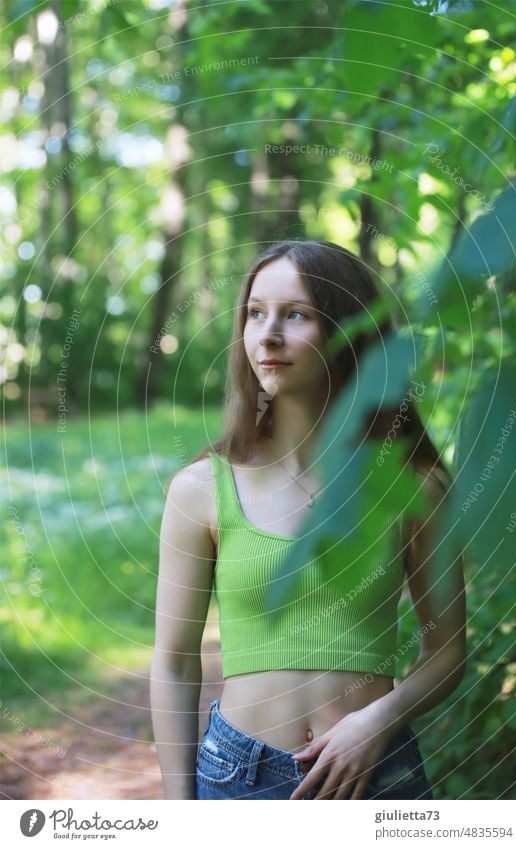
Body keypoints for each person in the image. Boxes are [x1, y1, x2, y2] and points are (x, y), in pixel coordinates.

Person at [150, 239, 467, 800]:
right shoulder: (200, 490)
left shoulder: (411, 486)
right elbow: (174, 665)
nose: (267, 334)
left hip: (374, 775)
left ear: (349, 334)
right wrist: (179, 817)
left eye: (296, 314)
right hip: (236, 779)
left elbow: (447, 652)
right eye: (255, 314)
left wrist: (378, 720)